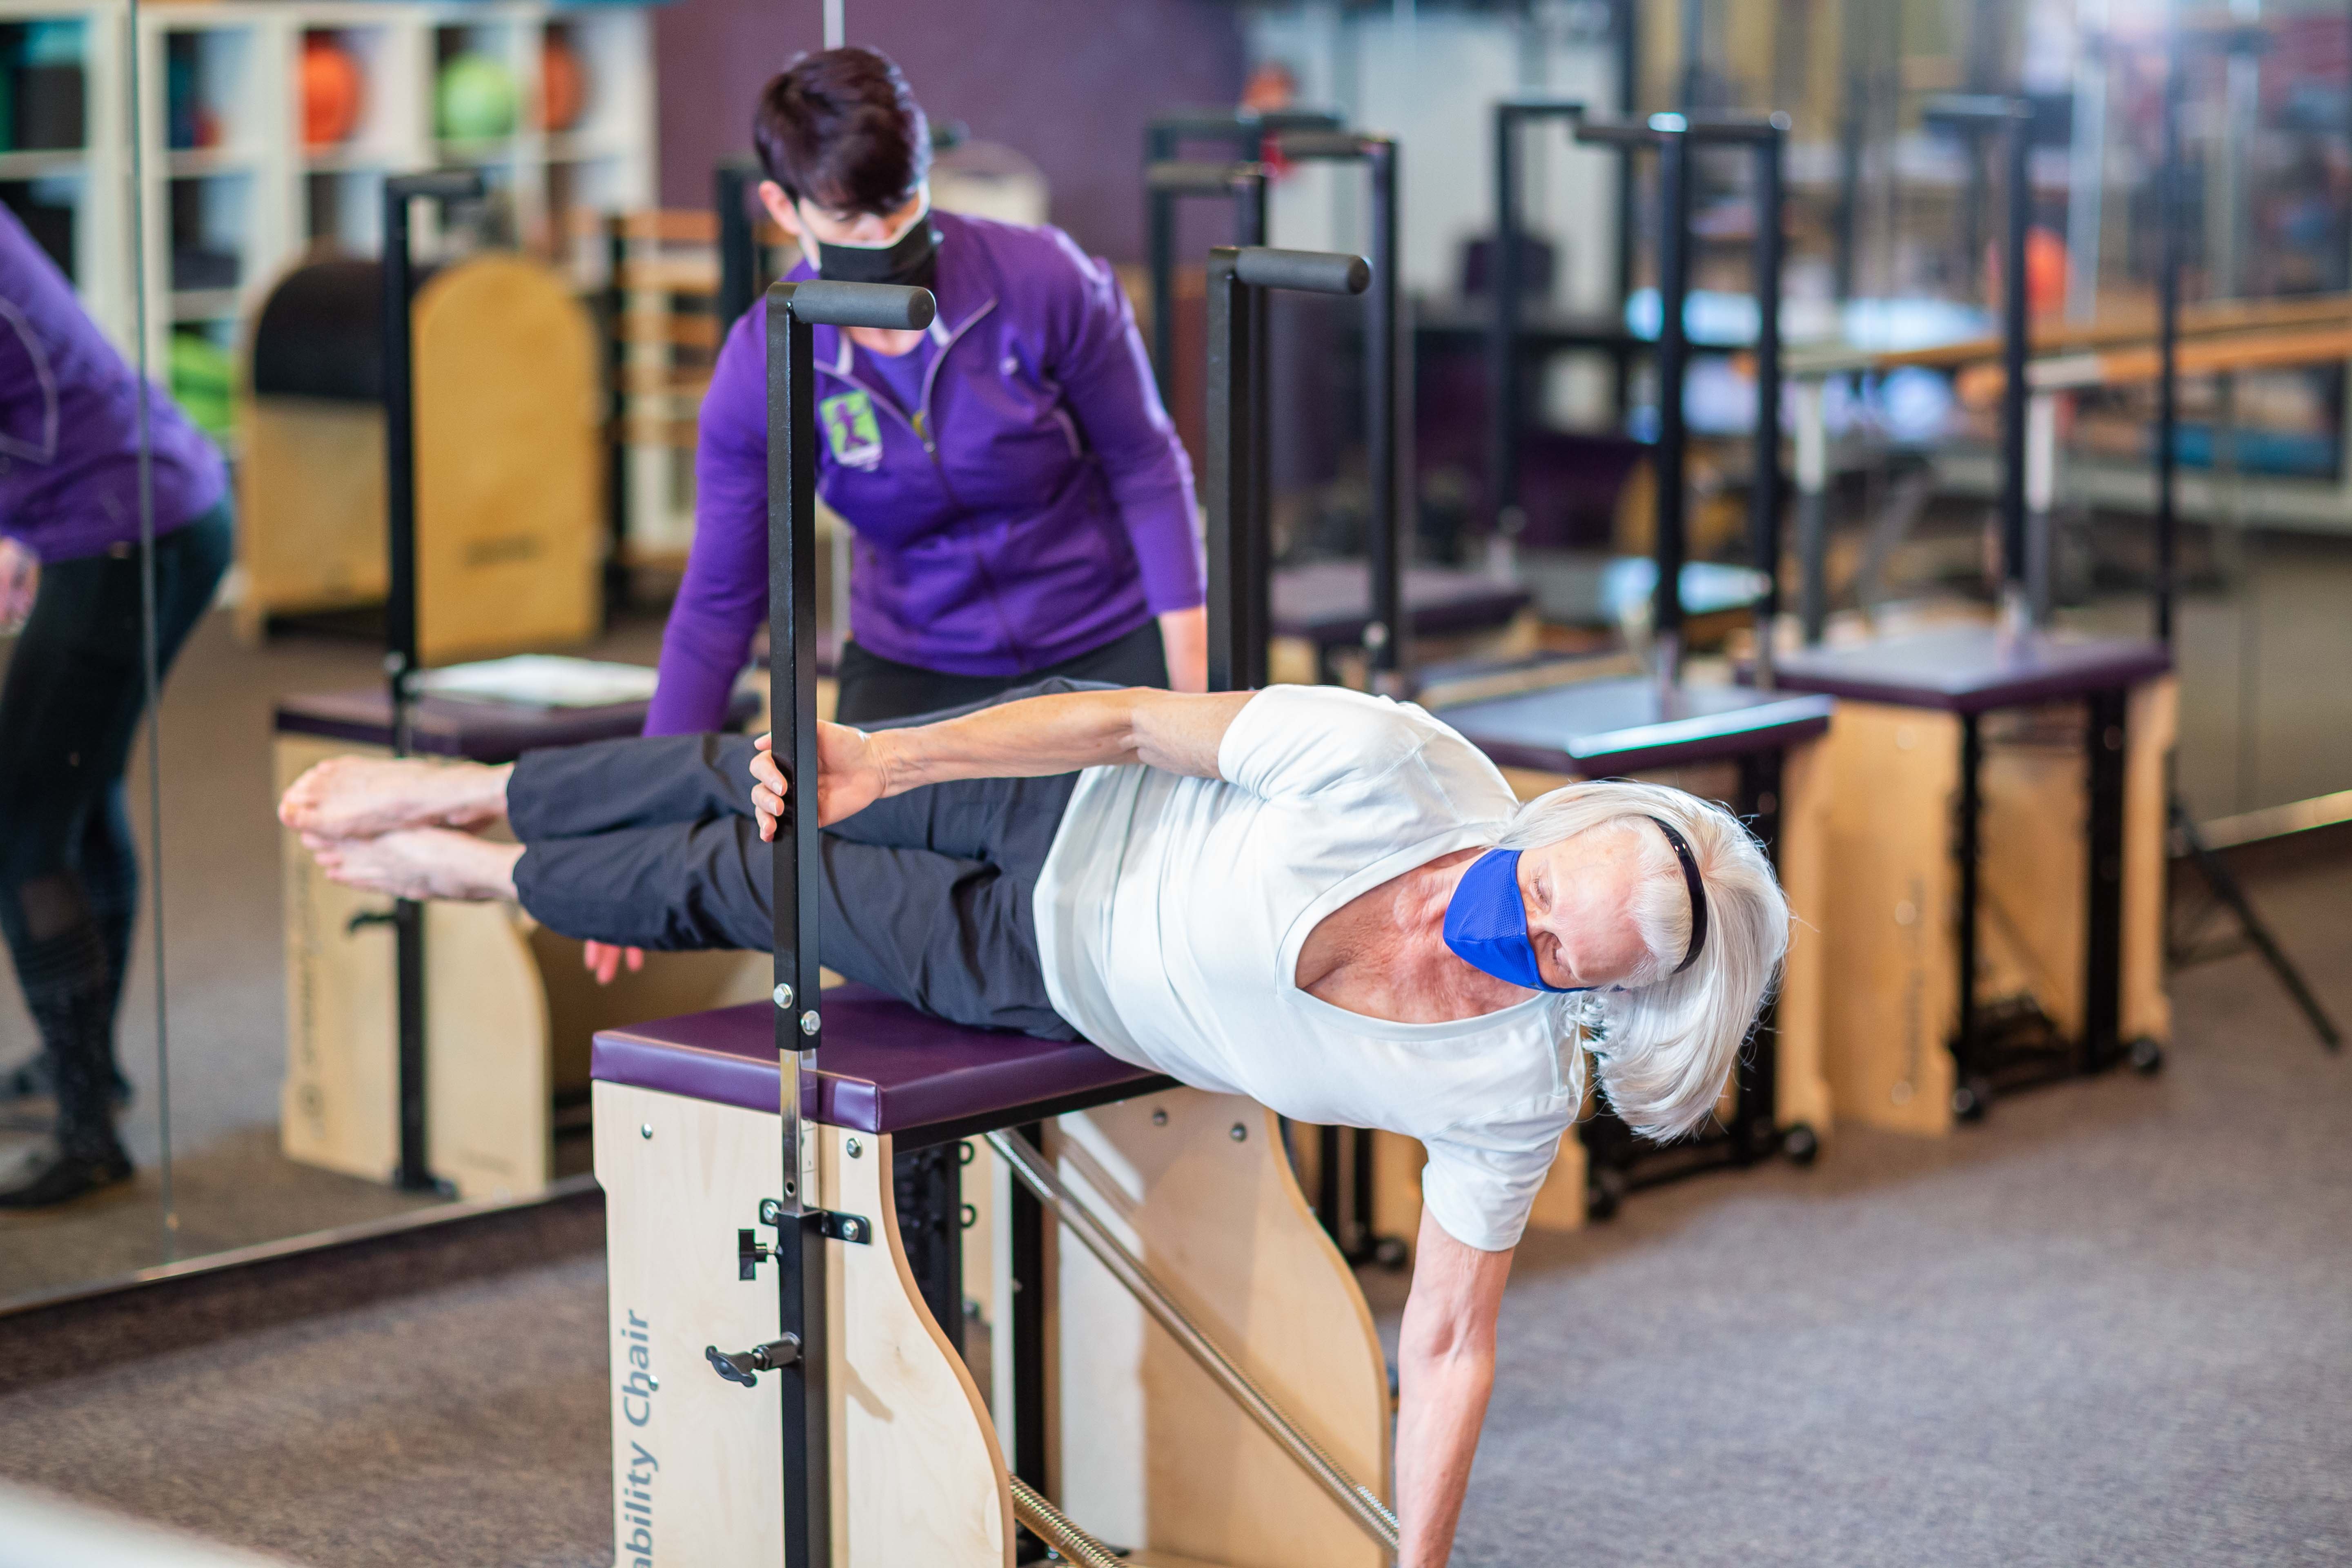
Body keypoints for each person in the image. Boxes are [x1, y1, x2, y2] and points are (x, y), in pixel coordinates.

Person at [280, 680, 1787, 1566]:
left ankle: (484, 880)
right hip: (1043, 807)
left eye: (1563, 951)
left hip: (1038, 970)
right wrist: (896, 759)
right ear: (1557, 824)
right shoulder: (1397, 771)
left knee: (745, 887)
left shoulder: (1512, 1082)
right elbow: (1132, 722)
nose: (1518, 921)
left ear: (1603, 997)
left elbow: (1451, 1340)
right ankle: (475, 788)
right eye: (1539, 880)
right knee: (772, 775)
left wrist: (1420, 1567)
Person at [587, 46, 1206, 987]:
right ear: (783, 209)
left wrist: (1195, 674)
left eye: (904, 201)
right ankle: (915, 1138)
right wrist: (643, 825)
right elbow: (719, 604)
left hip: (1097, 638)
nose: (883, 231)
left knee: (1129, 920)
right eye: (848, 215)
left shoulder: (1044, 281)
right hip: (914, 659)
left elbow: (1146, 462)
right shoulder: (767, 367)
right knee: (883, 930)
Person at [0, 204, 234, 1206]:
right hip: (157, 507)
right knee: (76, 794)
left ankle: (89, 1127)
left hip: (123, 530)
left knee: (24, 825)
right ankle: (84, 1068)